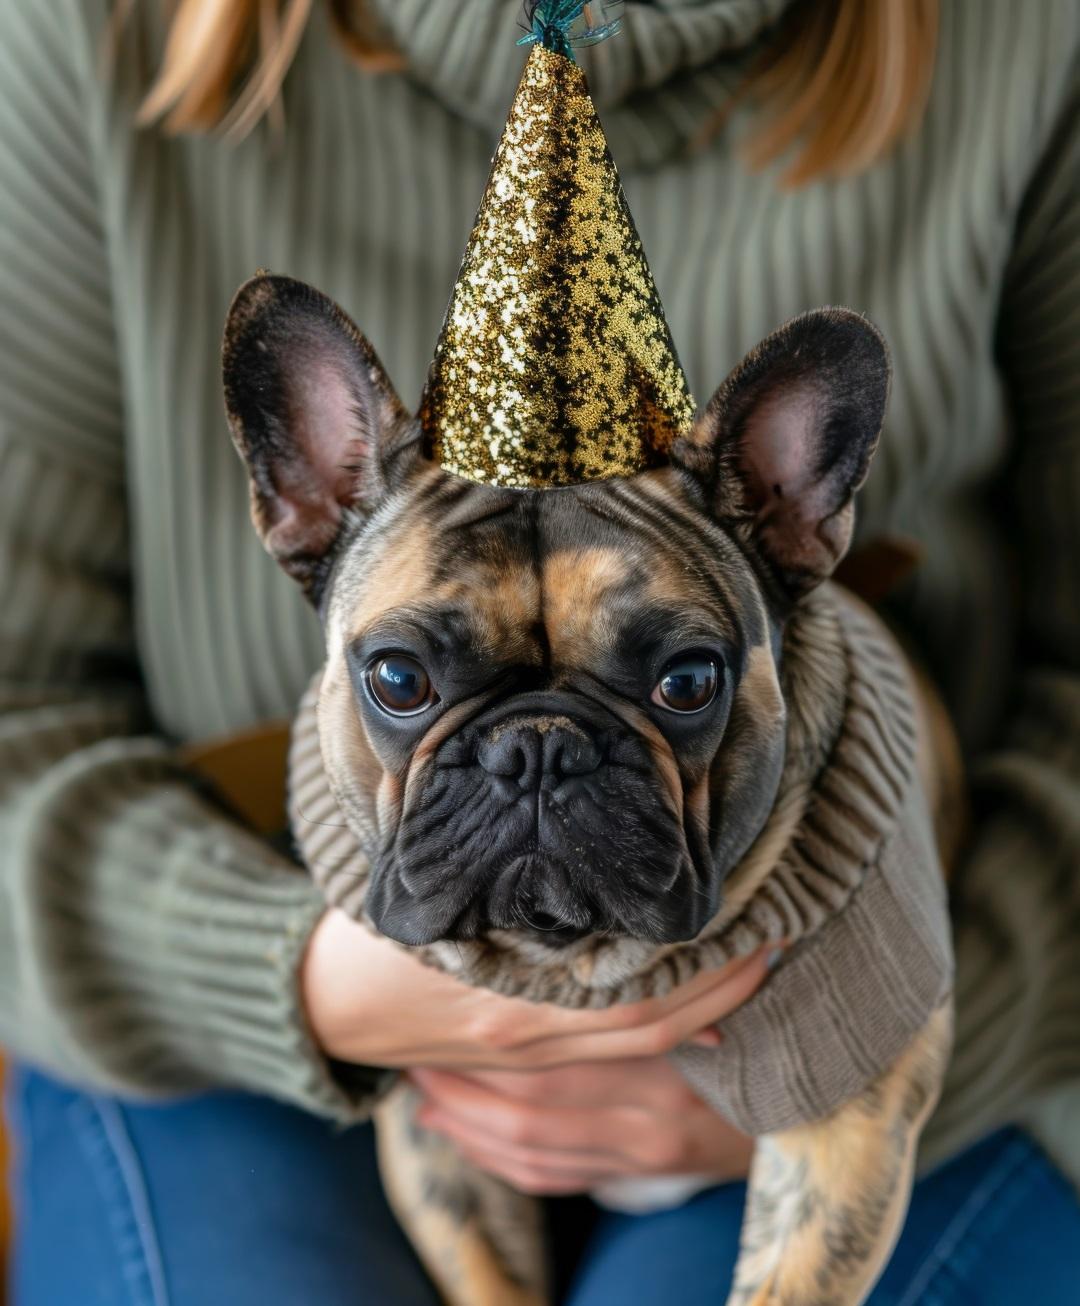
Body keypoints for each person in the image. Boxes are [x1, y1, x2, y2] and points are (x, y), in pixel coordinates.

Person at [1, 1, 1078, 1302]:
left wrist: (881, 1047)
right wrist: (306, 985)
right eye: (406, 680)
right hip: (246, 1001)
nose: (537, 768)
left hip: (918, 986)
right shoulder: (86, 30)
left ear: (793, 522)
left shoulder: (1026, 37)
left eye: (676, 681)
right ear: (309, 501)